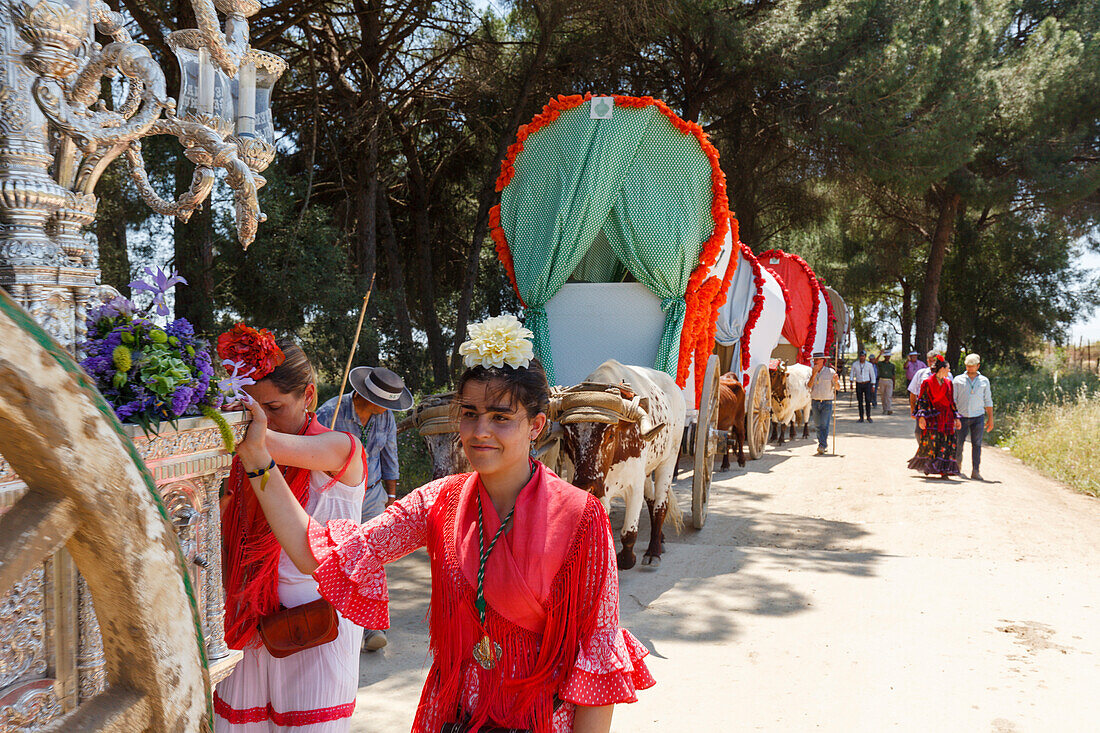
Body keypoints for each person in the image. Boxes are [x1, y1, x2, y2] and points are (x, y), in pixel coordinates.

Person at [231, 315, 654, 733]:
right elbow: (315, 553)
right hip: (454, 715)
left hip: (539, 718)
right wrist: (258, 463)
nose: (480, 431)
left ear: (536, 425)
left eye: (501, 417)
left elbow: (596, 652)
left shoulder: (581, 516)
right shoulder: (439, 501)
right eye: (469, 413)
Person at [214, 325, 367, 732]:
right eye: (248, 408)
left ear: (309, 396)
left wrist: (233, 426)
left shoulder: (340, 449)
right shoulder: (239, 460)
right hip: (248, 626)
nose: (260, 420)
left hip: (317, 630)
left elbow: (262, 445)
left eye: (274, 408)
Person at [316, 366, 412, 652]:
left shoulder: (387, 419)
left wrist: (391, 498)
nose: (387, 409)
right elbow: (314, 456)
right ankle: (330, 625)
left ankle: (371, 629)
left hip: (372, 496)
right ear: (367, 396)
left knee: (369, 560)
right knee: (337, 559)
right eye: (384, 403)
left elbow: (389, 457)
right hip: (338, 496)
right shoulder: (330, 412)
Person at [907, 357, 962, 478]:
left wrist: (956, 417)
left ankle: (945, 471)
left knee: (947, 443)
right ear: (942, 369)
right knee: (932, 442)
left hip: (946, 417)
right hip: (933, 417)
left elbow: (951, 402)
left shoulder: (948, 383)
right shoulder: (927, 382)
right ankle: (929, 466)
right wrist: (921, 417)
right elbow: (922, 400)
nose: (949, 371)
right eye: (948, 368)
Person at [953, 353, 994, 481]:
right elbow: (953, 400)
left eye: (973, 366)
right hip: (961, 416)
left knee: (977, 444)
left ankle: (976, 471)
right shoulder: (958, 380)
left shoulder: (984, 381)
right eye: (968, 366)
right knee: (959, 443)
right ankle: (956, 468)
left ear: (978, 366)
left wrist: (990, 418)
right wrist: (955, 417)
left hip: (978, 417)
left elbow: (988, 400)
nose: (970, 368)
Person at [908, 349, 950, 442]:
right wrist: (912, 409)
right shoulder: (921, 374)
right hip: (923, 408)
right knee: (919, 432)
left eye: (935, 361)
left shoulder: (948, 375)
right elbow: (913, 392)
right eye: (931, 361)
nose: (933, 363)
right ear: (927, 361)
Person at [807, 352, 840, 455]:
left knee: (824, 424)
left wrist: (836, 381)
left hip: (827, 401)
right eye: (814, 360)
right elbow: (809, 386)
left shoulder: (830, 372)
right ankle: (822, 443)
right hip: (815, 401)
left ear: (823, 361)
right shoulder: (811, 372)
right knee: (817, 424)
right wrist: (813, 375)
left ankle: (822, 445)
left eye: (817, 360)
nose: (815, 362)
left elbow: (837, 388)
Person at [850, 350, 876, 423]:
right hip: (859, 384)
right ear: (859, 356)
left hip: (867, 384)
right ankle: (861, 417)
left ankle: (868, 416)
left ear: (865, 357)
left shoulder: (869, 365)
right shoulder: (855, 364)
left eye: (863, 356)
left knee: (868, 400)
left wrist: (873, 384)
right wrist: (851, 382)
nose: (862, 357)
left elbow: (872, 375)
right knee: (860, 401)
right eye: (861, 356)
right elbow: (852, 373)